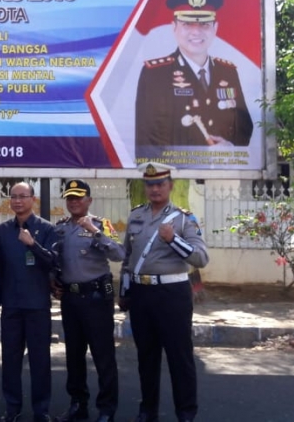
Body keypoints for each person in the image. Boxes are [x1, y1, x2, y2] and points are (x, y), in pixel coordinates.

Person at [119, 163, 209, 422]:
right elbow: (127, 258)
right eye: (150, 184)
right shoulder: (136, 216)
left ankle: (186, 413)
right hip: (141, 294)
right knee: (146, 357)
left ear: (170, 186)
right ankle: (148, 411)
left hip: (172, 295)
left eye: (160, 184)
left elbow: (201, 258)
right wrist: (124, 292)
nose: (155, 189)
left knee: (179, 356)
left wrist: (173, 240)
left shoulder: (183, 219)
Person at [134, 0, 252, 150]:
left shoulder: (228, 72)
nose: (196, 32)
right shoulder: (155, 74)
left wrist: (230, 146)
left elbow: (244, 126)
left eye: (204, 24)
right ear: (174, 27)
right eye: (187, 24)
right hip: (174, 165)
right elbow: (145, 139)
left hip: (222, 165)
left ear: (215, 28)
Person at [52, 180, 125, 422]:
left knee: (103, 355)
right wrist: (53, 281)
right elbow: (55, 259)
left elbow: (119, 253)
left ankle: (106, 409)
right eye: (70, 198)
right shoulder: (60, 228)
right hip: (70, 299)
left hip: (96, 298)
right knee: (74, 355)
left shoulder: (101, 224)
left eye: (78, 197)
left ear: (89, 200)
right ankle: (78, 405)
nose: (73, 202)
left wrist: (95, 231)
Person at [0, 182, 56, 422]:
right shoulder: (3, 230)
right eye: (13, 197)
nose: (17, 201)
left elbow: (53, 262)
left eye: (22, 196)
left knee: (40, 360)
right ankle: (12, 408)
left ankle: (41, 410)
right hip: (12, 305)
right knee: (10, 359)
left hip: (37, 305)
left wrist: (32, 244)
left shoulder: (47, 229)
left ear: (33, 199)